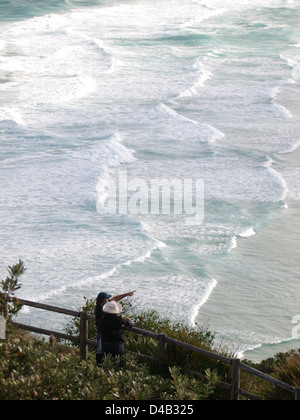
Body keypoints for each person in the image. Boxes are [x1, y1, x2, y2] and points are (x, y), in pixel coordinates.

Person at [95, 290, 135, 365]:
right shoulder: (101, 312)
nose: (110, 300)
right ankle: (100, 365)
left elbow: (114, 299)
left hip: (105, 340)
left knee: (106, 357)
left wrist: (126, 294)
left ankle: (102, 370)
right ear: (104, 301)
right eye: (108, 299)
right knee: (118, 361)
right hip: (114, 342)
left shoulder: (100, 307)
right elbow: (130, 324)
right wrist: (124, 323)